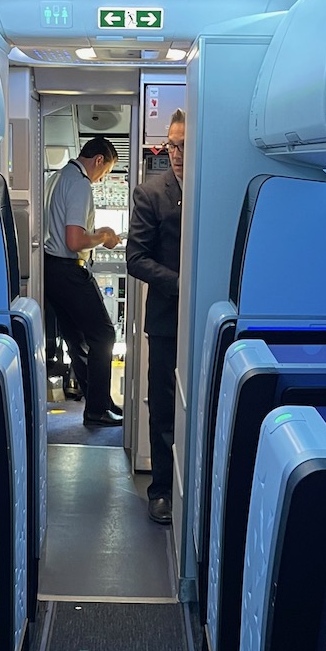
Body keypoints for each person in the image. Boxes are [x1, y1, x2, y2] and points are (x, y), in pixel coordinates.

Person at [126, 109, 185, 525]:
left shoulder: (211, 191)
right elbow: (135, 258)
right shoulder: (152, 193)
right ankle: (161, 489)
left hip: (206, 322)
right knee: (163, 408)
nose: (176, 153)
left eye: (183, 145)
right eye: (171, 144)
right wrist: (182, 285)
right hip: (166, 319)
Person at [43, 135, 123, 427]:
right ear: (98, 160)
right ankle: (98, 410)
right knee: (104, 335)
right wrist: (103, 236)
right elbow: (75, 240)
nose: (102, 179)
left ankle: (98, 404)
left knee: (77, 341)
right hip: (68, 269)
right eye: (106, 171)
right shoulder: (79, 183)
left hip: (50, 270)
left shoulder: (57, 177)